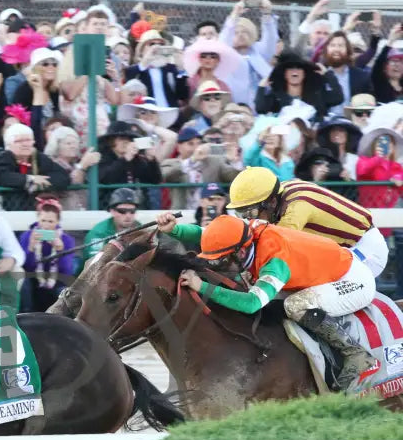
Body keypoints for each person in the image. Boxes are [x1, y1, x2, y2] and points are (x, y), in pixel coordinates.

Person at [156, 211, 377, 391]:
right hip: (327, 270)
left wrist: (202, 287)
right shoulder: (244, 232)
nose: (218, 264)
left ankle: (355, 354)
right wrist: (175, 230)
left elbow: (251, 303)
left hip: (352, 281)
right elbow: (209, 235)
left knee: (294, 305)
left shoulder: (274, 261)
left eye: (222, 260)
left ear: (240, 252)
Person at [226, 166, 388, 277]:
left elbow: (275, 248)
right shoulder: (279, 191)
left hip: (365, 250)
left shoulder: (296, 209)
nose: (249, 219)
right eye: (242, 213)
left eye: (251, 212)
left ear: (272, 202)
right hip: (347, 247)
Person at [19, 198, 77, 312]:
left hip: (56, 281)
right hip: (34, 279)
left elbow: (67, 271)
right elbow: (25, 267)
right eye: (43, 220)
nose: (46, 226)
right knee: (24, 284)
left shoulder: (66, 239)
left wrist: (60, 250)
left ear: (57, 222)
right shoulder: (27, 236)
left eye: (50, 222)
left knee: (64, 290)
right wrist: (30, 248)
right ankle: (26, 315)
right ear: (38, 219)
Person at [82, 187, 140, 263]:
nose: (128, 215)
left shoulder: (139, 228)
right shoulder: (99, 232)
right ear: (112, 211)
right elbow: (95, 263)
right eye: (122, 211)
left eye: (132, 211)